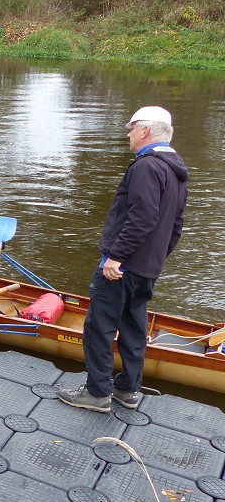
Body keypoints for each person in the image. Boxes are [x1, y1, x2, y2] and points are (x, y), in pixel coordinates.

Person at [57, 106, 188, 413]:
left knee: (99, 327)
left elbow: (142, 217)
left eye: (132, 128)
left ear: (145, 130)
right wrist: (155, 259)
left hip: (122, 267)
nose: (128, 134)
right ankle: (127, 390)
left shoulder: (146, 166)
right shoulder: (177, 170)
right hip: (147, 268)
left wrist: (117, 257)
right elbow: (176, 225)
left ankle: (97, 393)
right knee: (133, 327)